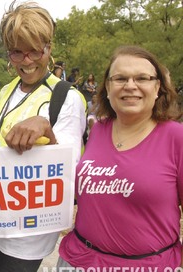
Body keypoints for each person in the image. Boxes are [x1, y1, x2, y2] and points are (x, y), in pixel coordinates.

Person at [0, 1, 86, 271]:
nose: (26, 62)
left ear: (48, 49)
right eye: (17, 53)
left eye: (34, 52)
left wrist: (46, 129)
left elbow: (67, 170)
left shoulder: (67, 97)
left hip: (27, 233)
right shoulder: (6, 89)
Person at [57, 45, 183, 269]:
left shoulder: (176, 137)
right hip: (77, 260)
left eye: (142, 78)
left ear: (157, 88)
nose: (130, 86)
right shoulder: (97, 130)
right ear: (107, 87)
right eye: (120, 78)